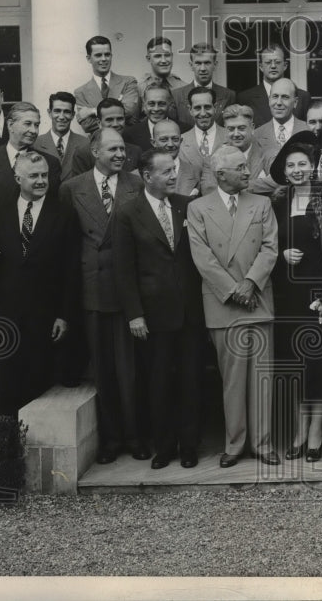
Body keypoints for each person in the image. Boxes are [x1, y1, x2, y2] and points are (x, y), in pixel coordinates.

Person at [59, 128, 150, 464]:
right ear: (94, 150)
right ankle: (111, 439)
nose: (120, 155)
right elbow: (67, 247)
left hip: (129, 292)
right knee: (104, 370)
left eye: (123, 149)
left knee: (132, 370)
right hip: (93, 289)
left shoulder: (136, 185)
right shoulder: (72, 188)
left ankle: (135, 435)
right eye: (112, 149)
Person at [187, 145, 280, 467]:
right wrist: (233, 289)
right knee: (232, 380)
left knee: (261, 377)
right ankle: (235, 443)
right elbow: (203, 258)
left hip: (258, 299)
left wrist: (251, 283)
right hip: (223, 304)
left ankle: (263, 443)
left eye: (246, 166)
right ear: (220, 174)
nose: (247, 172)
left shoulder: (262, 204)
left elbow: (270, 249)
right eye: (240, 167)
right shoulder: (198, 208)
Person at [114, 150, 205, 469]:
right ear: (146, 176)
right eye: (165, 171)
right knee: (158, 381)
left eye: (174, 170)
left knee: (191, 380)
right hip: (153, 315)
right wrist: (134, 314)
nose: (172, 176)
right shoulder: (128, 213)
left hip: (191, 311)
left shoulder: (188, 205)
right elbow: (123, 270)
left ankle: (190, 445)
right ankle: (164, 447)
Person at [269, 132, 322, 463]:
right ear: (285, 170)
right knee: (295, 364)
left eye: (303, 163)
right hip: (288, 293)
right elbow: (263, 245)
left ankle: (316, 430)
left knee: (320, 363)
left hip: (320, 293)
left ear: (314, 166)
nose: (298, 169)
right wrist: (279, 256)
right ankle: (299, 431)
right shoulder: (277, 201)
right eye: (291, 165)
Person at [0, 152, 79, 413]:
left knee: (38, 384)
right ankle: (7, 446)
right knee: (5, 386)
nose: (41, 181)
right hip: (5, 314)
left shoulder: (64, 213)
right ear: (18, 178)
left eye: (44, 175)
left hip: (45, 316)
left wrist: (64, 315)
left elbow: (72, 269)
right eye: (34, 176)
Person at [0, 102, 62, 205]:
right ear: (10, 125)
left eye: (36, 125)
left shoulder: (50, 162)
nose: (34, 130)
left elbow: (52, 206)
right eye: (28, 124)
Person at [74, 35, 140, 132]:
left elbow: (130, 111)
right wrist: (120, 115)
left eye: (107, 54)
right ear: (88, 59)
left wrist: (92, 111)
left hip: (126, 142)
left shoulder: (128, 82)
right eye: (98, 55)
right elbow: (87, 125)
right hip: (98, 143)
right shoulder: (80, 92)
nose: (104, 59)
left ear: (111, 56)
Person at [233, 44, 310, 126]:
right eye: (268, 62)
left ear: (285, 65)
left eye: (277, 62)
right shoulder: (245, 98)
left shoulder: (303, 97)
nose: (273, 66)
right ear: (261, 66)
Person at [171, 43, 236, 127]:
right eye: (198, 63)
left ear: (215, 65)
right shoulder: (176, 96)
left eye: (207, 63)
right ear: (191, 65)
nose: (203, 69)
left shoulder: (229, 95)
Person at [178, 86, 227, 197]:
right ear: (190, 110)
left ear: (215, 107)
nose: (203, 113)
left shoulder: (229, 137)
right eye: (197, 108)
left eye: (207, 107)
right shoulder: (180, 141)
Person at [32, 92, 93, 182]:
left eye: (67, 112)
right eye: (57, 111)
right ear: (49, 113)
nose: (61, 117)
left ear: (73, 115)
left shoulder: (85, 143)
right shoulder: (36, 143)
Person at [221, 104, 279, 195]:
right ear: (225, 129)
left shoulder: (268, 149)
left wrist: (238, 188)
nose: (236, 134)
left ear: (252, 128)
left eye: (241, 128)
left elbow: (277, 179)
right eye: (231, 129)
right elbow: (209, 188)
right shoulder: (217, 154)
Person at [123, 84, 190, 153]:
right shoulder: (130, 134)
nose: (156, 109)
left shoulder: (186, 131)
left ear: (170, 104)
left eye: (161, 104)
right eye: (151, 104)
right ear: (144, 104)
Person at [150, 119, 206, 197]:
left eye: (175, 139)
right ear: (153, 143)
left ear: (181, 140)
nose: (170, 144)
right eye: (164, 140)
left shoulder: (196, 172)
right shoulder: (139, 176)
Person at [252, 78, 306, 157]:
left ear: (295, 102)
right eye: (275, 96)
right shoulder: (256, 135)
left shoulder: (307, 130)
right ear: (269, 100)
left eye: (285, 97)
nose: (279, 102)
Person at [95, 98, 143, 172]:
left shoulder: (136, 152)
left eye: (120, 119)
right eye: (109, 120)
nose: (115, 124)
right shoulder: (85, 153)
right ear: (99, 123)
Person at [138, 36, 187, 100]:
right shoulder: (139, 89)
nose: (163, 60)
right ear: (148, 59)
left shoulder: (184, 88)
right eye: (158, 56)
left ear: (172, 56)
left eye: (167, 55)